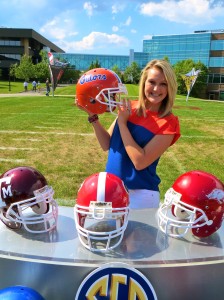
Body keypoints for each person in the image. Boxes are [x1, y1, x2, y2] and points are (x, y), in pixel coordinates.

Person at [76, 60, 181, 209]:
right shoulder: (129, 107)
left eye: (163, 84)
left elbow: (140, 162)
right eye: (152, 82)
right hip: (112, 189)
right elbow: (107, 144)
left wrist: (123, 124)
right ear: (144, 82)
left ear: (170, 87)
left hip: (140, 195)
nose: (157, 89)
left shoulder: (168, 123)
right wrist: (93, 117)